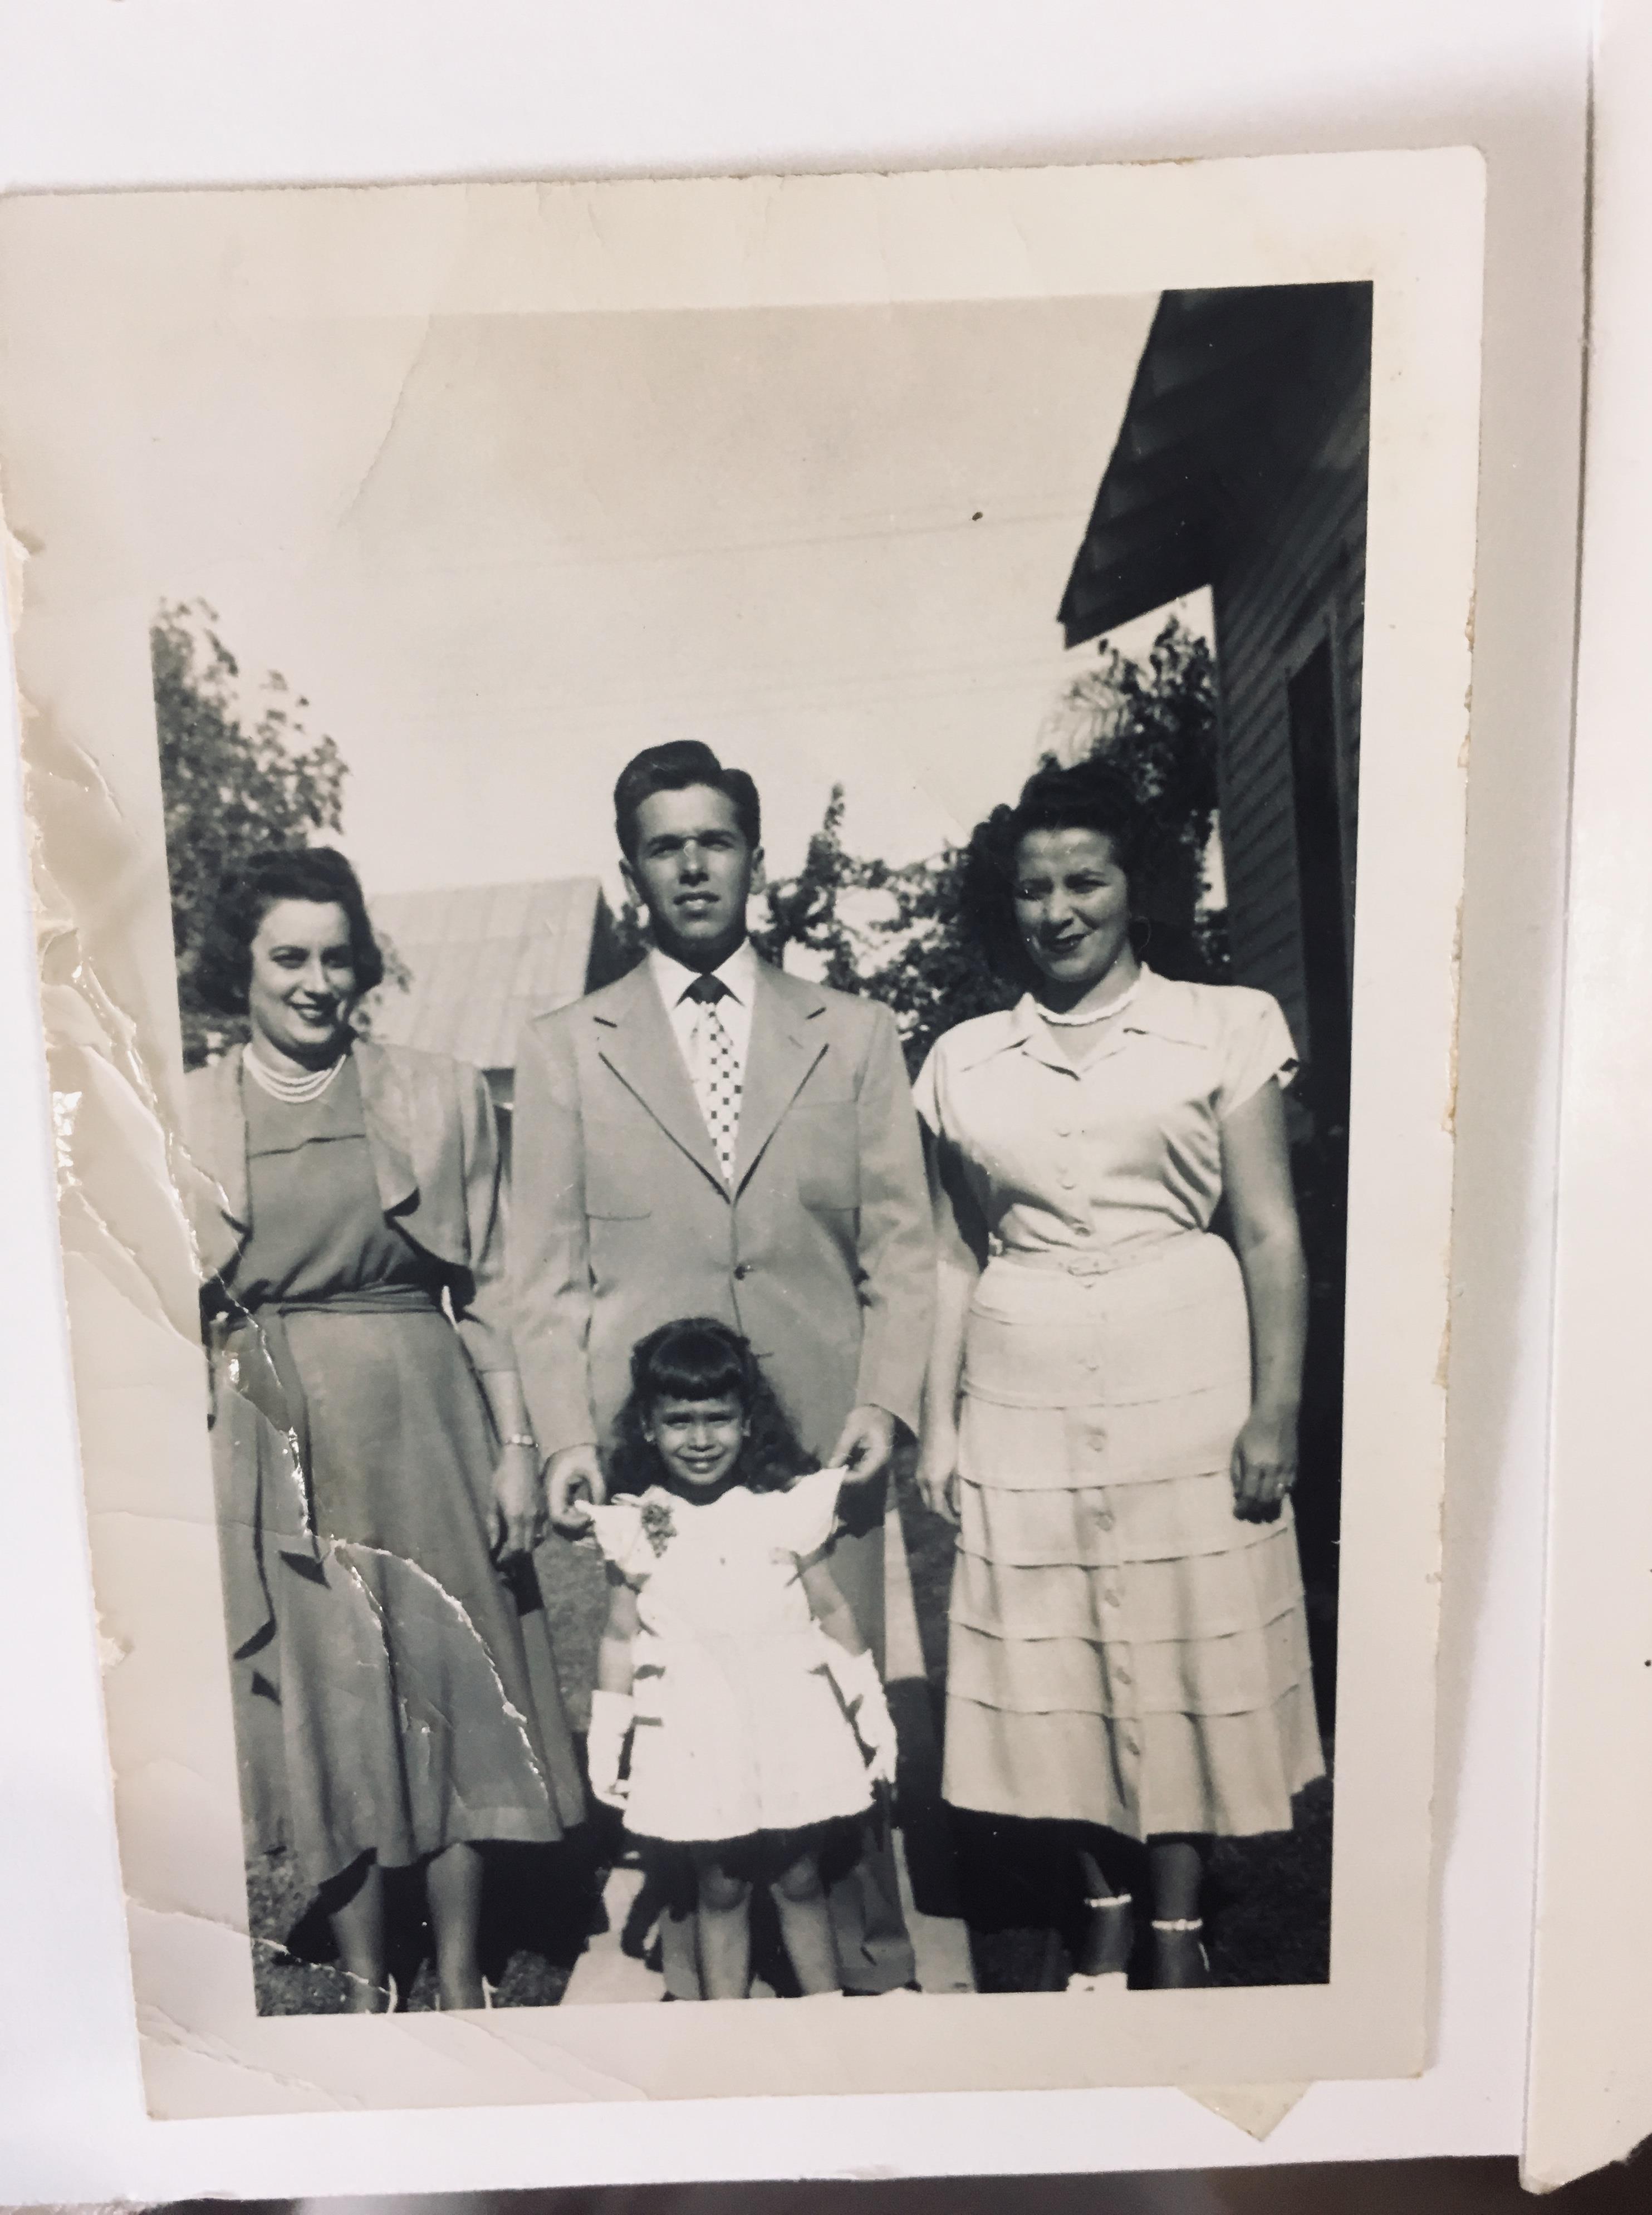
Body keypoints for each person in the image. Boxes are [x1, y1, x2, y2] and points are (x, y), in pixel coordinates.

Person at [511, 739, 934, 1998]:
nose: (691, 866)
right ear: (630, 870)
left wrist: (883, 1396)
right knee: (685, 1699)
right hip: (659, 1442)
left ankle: (861, 1971)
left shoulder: (851, 1032)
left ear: (755, 858)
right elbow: (541, 1270)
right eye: (664, 846)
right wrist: (567, 1433)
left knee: (827, 1692)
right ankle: (708, 1985)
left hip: (819, 1429)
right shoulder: (565, 1046)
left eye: (713, 841)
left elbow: (900, 1245)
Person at [914, 759, 1325, 1992]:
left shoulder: (1224, 1024)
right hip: (1022, 1378)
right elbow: (950, 1257)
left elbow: (1269, 1234)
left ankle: (1176, 1923)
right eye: (1033, 887)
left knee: (1183, 1632)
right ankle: (1100, 1901)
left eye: (1084, 881)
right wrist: (940, 1424)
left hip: (1184, 1365)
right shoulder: (963, 1058)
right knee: (1053, 1653)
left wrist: (1275, 1408)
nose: (1059, 911)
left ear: (1134, 889)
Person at [183, 847, 586, 2012]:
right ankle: (367, 1978)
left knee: (447, 1683)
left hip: (426, 1424)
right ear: (240, 967)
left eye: (337, 957)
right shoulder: (184, 1114)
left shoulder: (437, 1093)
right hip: (276, 1438)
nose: (317, 983)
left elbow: (493, 1286)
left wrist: (517, 1448)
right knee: (330, 1700)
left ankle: (457, 1968)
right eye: (288, 957)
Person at [581, 1318, 898, 2000]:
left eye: (718, 1419)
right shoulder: (637, 1525)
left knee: (799, 1877)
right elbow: (619, 1636)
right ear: (648, 1427)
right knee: (719, 1886)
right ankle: (726, 2034)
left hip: (789, 1720)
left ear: (748, 1421)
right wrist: (610, 1737)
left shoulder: (784, 1510)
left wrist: (869, 1707)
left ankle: (828, 2019)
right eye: (679, 1421)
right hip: (697, 1729)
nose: (700, 1440)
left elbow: (832, 1611)